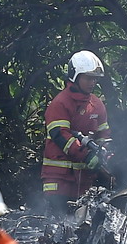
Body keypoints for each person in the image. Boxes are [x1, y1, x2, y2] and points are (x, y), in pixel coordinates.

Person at [41, 50, 113, 212]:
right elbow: (61, 135)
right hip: (59, 181)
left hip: (84, 181)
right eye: (88, 77)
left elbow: (104, 135)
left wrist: (106, 153)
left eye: (95, 78)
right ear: (75, 76)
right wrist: (87, 155)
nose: (92, 82)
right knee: (59, 228)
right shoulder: (60, 103)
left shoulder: (97, 105)